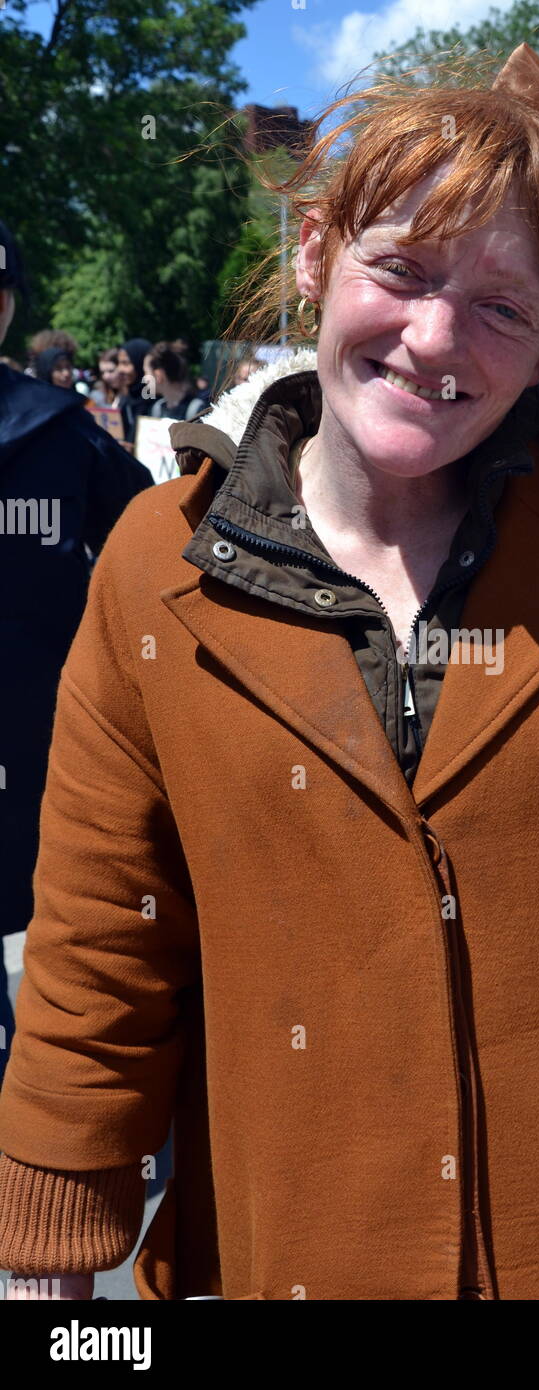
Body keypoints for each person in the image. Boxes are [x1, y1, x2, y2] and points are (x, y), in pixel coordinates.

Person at [0, 47, 539, 1303]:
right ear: (315, 253)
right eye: (402, 272)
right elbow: (100, 948)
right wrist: (51, 1270)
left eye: (500, 308)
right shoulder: (159, 564)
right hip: (298, 1255)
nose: (434, 341)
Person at [0, 220, 154, 1096]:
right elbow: (152, 544)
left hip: (44, 735)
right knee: (61, 921)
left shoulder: (67, 431)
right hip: (39, 733)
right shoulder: (64, 433)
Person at [145, 341, 208, 421]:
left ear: (158, 375)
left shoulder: (196, 410)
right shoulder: (157, 409)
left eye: (146, 372)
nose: (145, 379)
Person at [115, 337, 153, 443]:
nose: (120, 369)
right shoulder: (127, 399)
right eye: (119, 363)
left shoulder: (153, 402)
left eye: (125, 363)